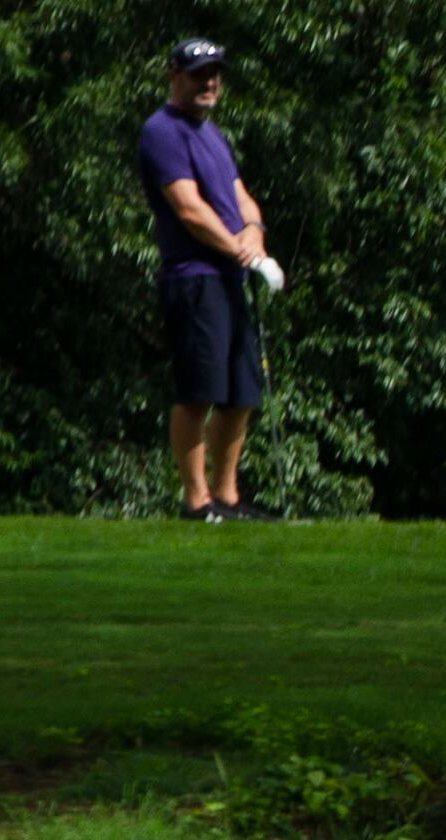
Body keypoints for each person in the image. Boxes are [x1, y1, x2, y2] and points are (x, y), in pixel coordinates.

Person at [133, 40, 282, 522]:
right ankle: (197, 502)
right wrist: (241, 250)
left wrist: (254, 233)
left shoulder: (212, 134)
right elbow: (189, 209)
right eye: (199, 73)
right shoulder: (162, 131)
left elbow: (242, 199)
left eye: (215, 73)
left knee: (241, 393)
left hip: (229, 276)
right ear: (174, 75)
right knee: (198, 392)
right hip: (193, 277)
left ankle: (226, 497)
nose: (210, 82)